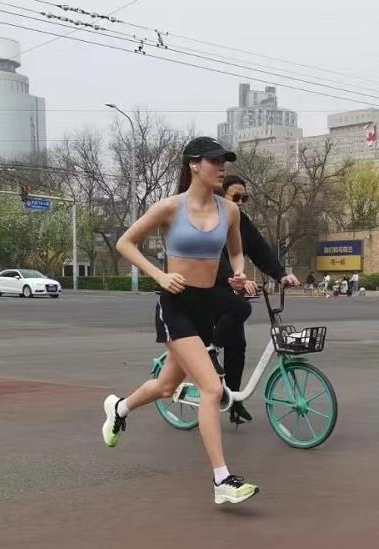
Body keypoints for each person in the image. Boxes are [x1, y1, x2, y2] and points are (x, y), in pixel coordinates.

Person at [101, 136, 258, 505]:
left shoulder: (229, 211)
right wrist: (159, 275)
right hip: (175, 306)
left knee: (166, 386)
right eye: (215, 161)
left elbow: (237, 252)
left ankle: (119, 408)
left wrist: (238, 274)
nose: (222, 168)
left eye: (224, 161)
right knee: (211, 389)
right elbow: (125, 243)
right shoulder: (170, 207)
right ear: (194, 165)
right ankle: (222, 480)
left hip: (205, 308)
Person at [214, 175, 299, 425]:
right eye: (236, 197)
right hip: (207, 288)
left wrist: (281, 275)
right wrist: (234, 277)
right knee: (240, 310)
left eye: (245, 198)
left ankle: (233, 401)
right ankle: (210, 349)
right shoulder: (211, 219)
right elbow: (212, 257)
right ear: (222, 196)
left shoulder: (242, 222)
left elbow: (261, 251)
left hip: (231, 288)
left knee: (237, 346)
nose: (241, 203)